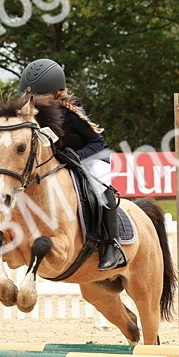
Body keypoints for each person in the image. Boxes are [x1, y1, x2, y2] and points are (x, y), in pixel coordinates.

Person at [17, 59, 126, 270]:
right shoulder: (31, 113)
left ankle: (112, 245)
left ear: (55, 94)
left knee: (99, 188)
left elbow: (98, 143)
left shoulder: (71, 114)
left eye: (37, 96)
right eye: (28, 95)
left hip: (92, 158)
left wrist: (76, 156)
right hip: (59, 162)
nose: (31, 100)